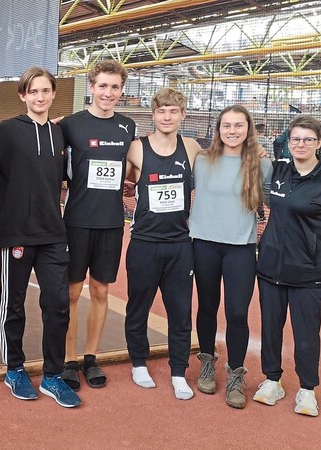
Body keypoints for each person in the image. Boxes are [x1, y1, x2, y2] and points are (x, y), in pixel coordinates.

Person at [0, 67, 80, 408]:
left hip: (53, 233)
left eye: (46, 91)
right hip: (16, 233)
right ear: (22, 95)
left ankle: (53, 375)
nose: (40, 97)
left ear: (53, 94)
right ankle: (14, 368)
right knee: (13, 304)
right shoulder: (7, 131)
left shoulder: (60, 135)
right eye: (33, 91)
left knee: (57, 304)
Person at [253, 115, 321, 417]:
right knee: (271, 329)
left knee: (307, 334)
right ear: (288, 141)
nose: (301, 144)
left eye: (308, 139)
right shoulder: (280, 170)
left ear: (320, 143)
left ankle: (307, 389)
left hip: (309, 273)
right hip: (270, 268)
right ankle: (272, 380)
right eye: (296, 138)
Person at [59, 60, 136, 391]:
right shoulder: (70, 125)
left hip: (110, 223)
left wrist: (130, 180)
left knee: (101, 290)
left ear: (121, 91)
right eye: (102, 86)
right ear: (90, 87)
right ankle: (68, 359)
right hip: (76, 221)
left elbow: (130, 166)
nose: (108, 93)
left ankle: (91, 358)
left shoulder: (127, 126)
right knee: (72, 292)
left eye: (114, 87)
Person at [188, 105, 272, 409]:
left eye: (239, 125)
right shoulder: (201, 161)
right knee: (207, 306)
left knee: (237, 313)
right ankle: (207, 363)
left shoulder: (262, 166)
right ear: (218, 129)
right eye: (226, 125)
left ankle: (236, 373)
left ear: (248, 129)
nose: (232, 131)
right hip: (204, 246)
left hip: (241, 248)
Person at [124, 88, 202, 400]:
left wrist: (260, 153)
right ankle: (138, 362)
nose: (167, 117)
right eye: (161, 112)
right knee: (138, 307)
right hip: (144, 242)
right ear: (153, 115)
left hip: (180, 245)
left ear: (183, 114)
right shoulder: (136, 148)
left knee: (181, 311)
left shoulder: (193, 148)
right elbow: (121, 177)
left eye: (173, 111)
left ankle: (179, 371)